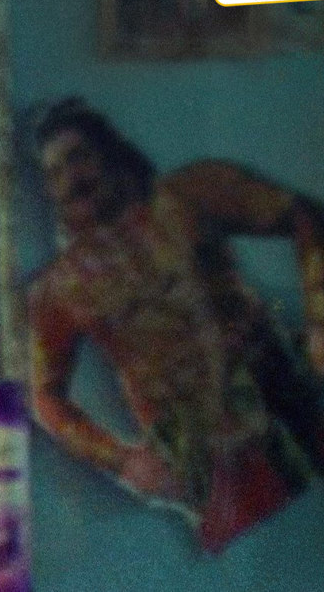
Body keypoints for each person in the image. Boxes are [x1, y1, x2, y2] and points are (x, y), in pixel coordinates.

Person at [27, 98, 324, 553]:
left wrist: (320, 319)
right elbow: (45, 396)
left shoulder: (192, 193)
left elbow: (302, 215)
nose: (71, 178)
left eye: (77, 157)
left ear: (110, 152)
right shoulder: (58, 289)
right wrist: (123, 461)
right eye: (54, 172)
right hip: (206, 458)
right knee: (261, 562)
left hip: (286, 396)